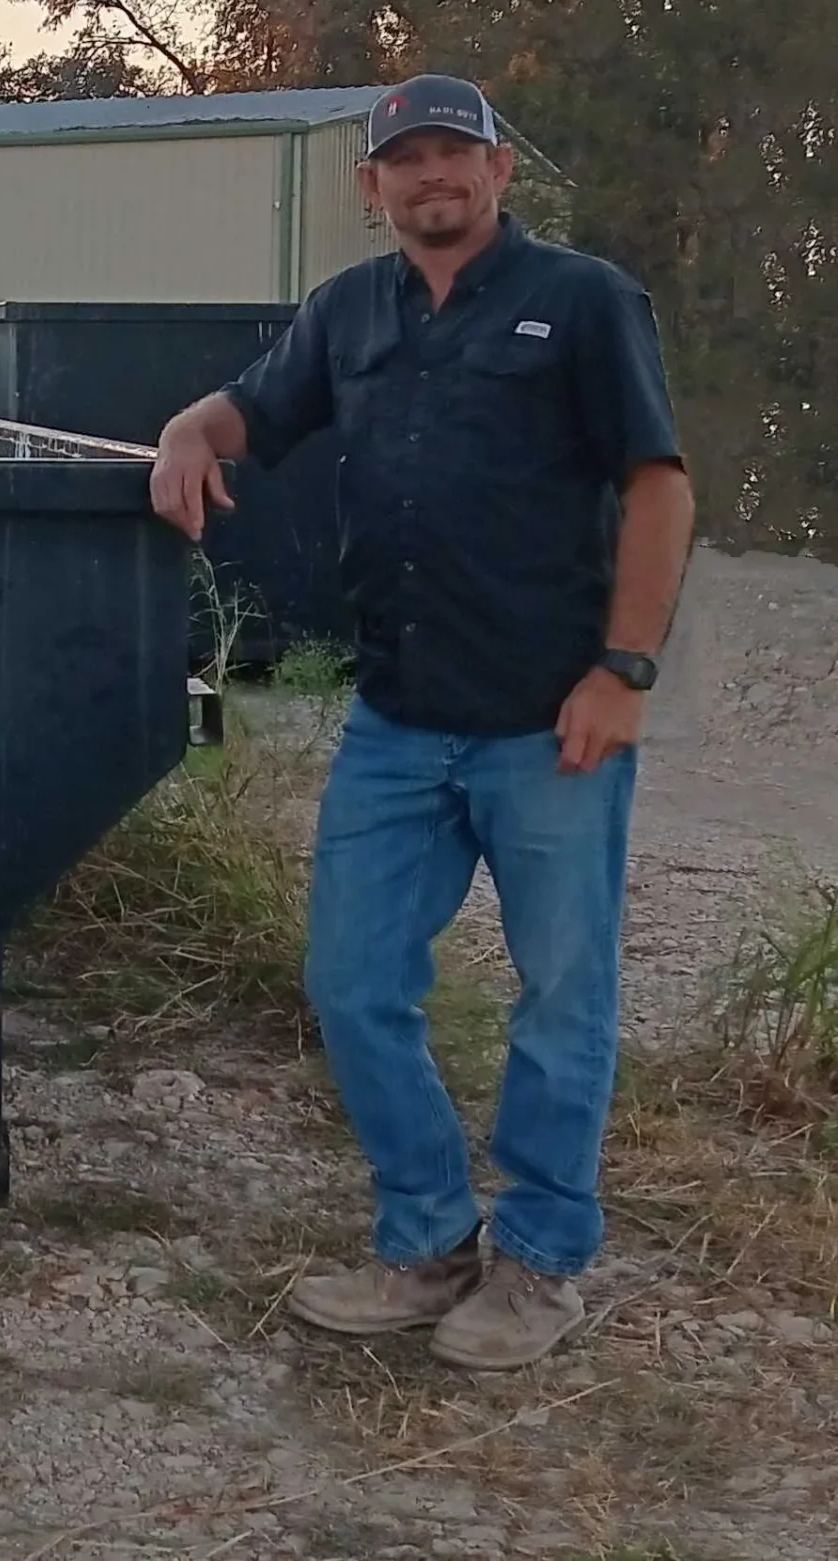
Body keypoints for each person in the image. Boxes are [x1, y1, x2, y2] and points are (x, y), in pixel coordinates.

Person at [150, 75, 694, 1372]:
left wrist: (624, 669)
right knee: (352, 981)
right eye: (407, 158)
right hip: (396, 722)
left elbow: (658, 487)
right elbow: (249, 415)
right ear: (372, 186)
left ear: (499, 171)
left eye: (457, 152)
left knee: (561, 1000)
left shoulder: (583, 301)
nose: (432, 174)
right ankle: (430, 1238)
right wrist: (182, 430)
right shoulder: (348, 313)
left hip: (548, 725)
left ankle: (542, 1264)